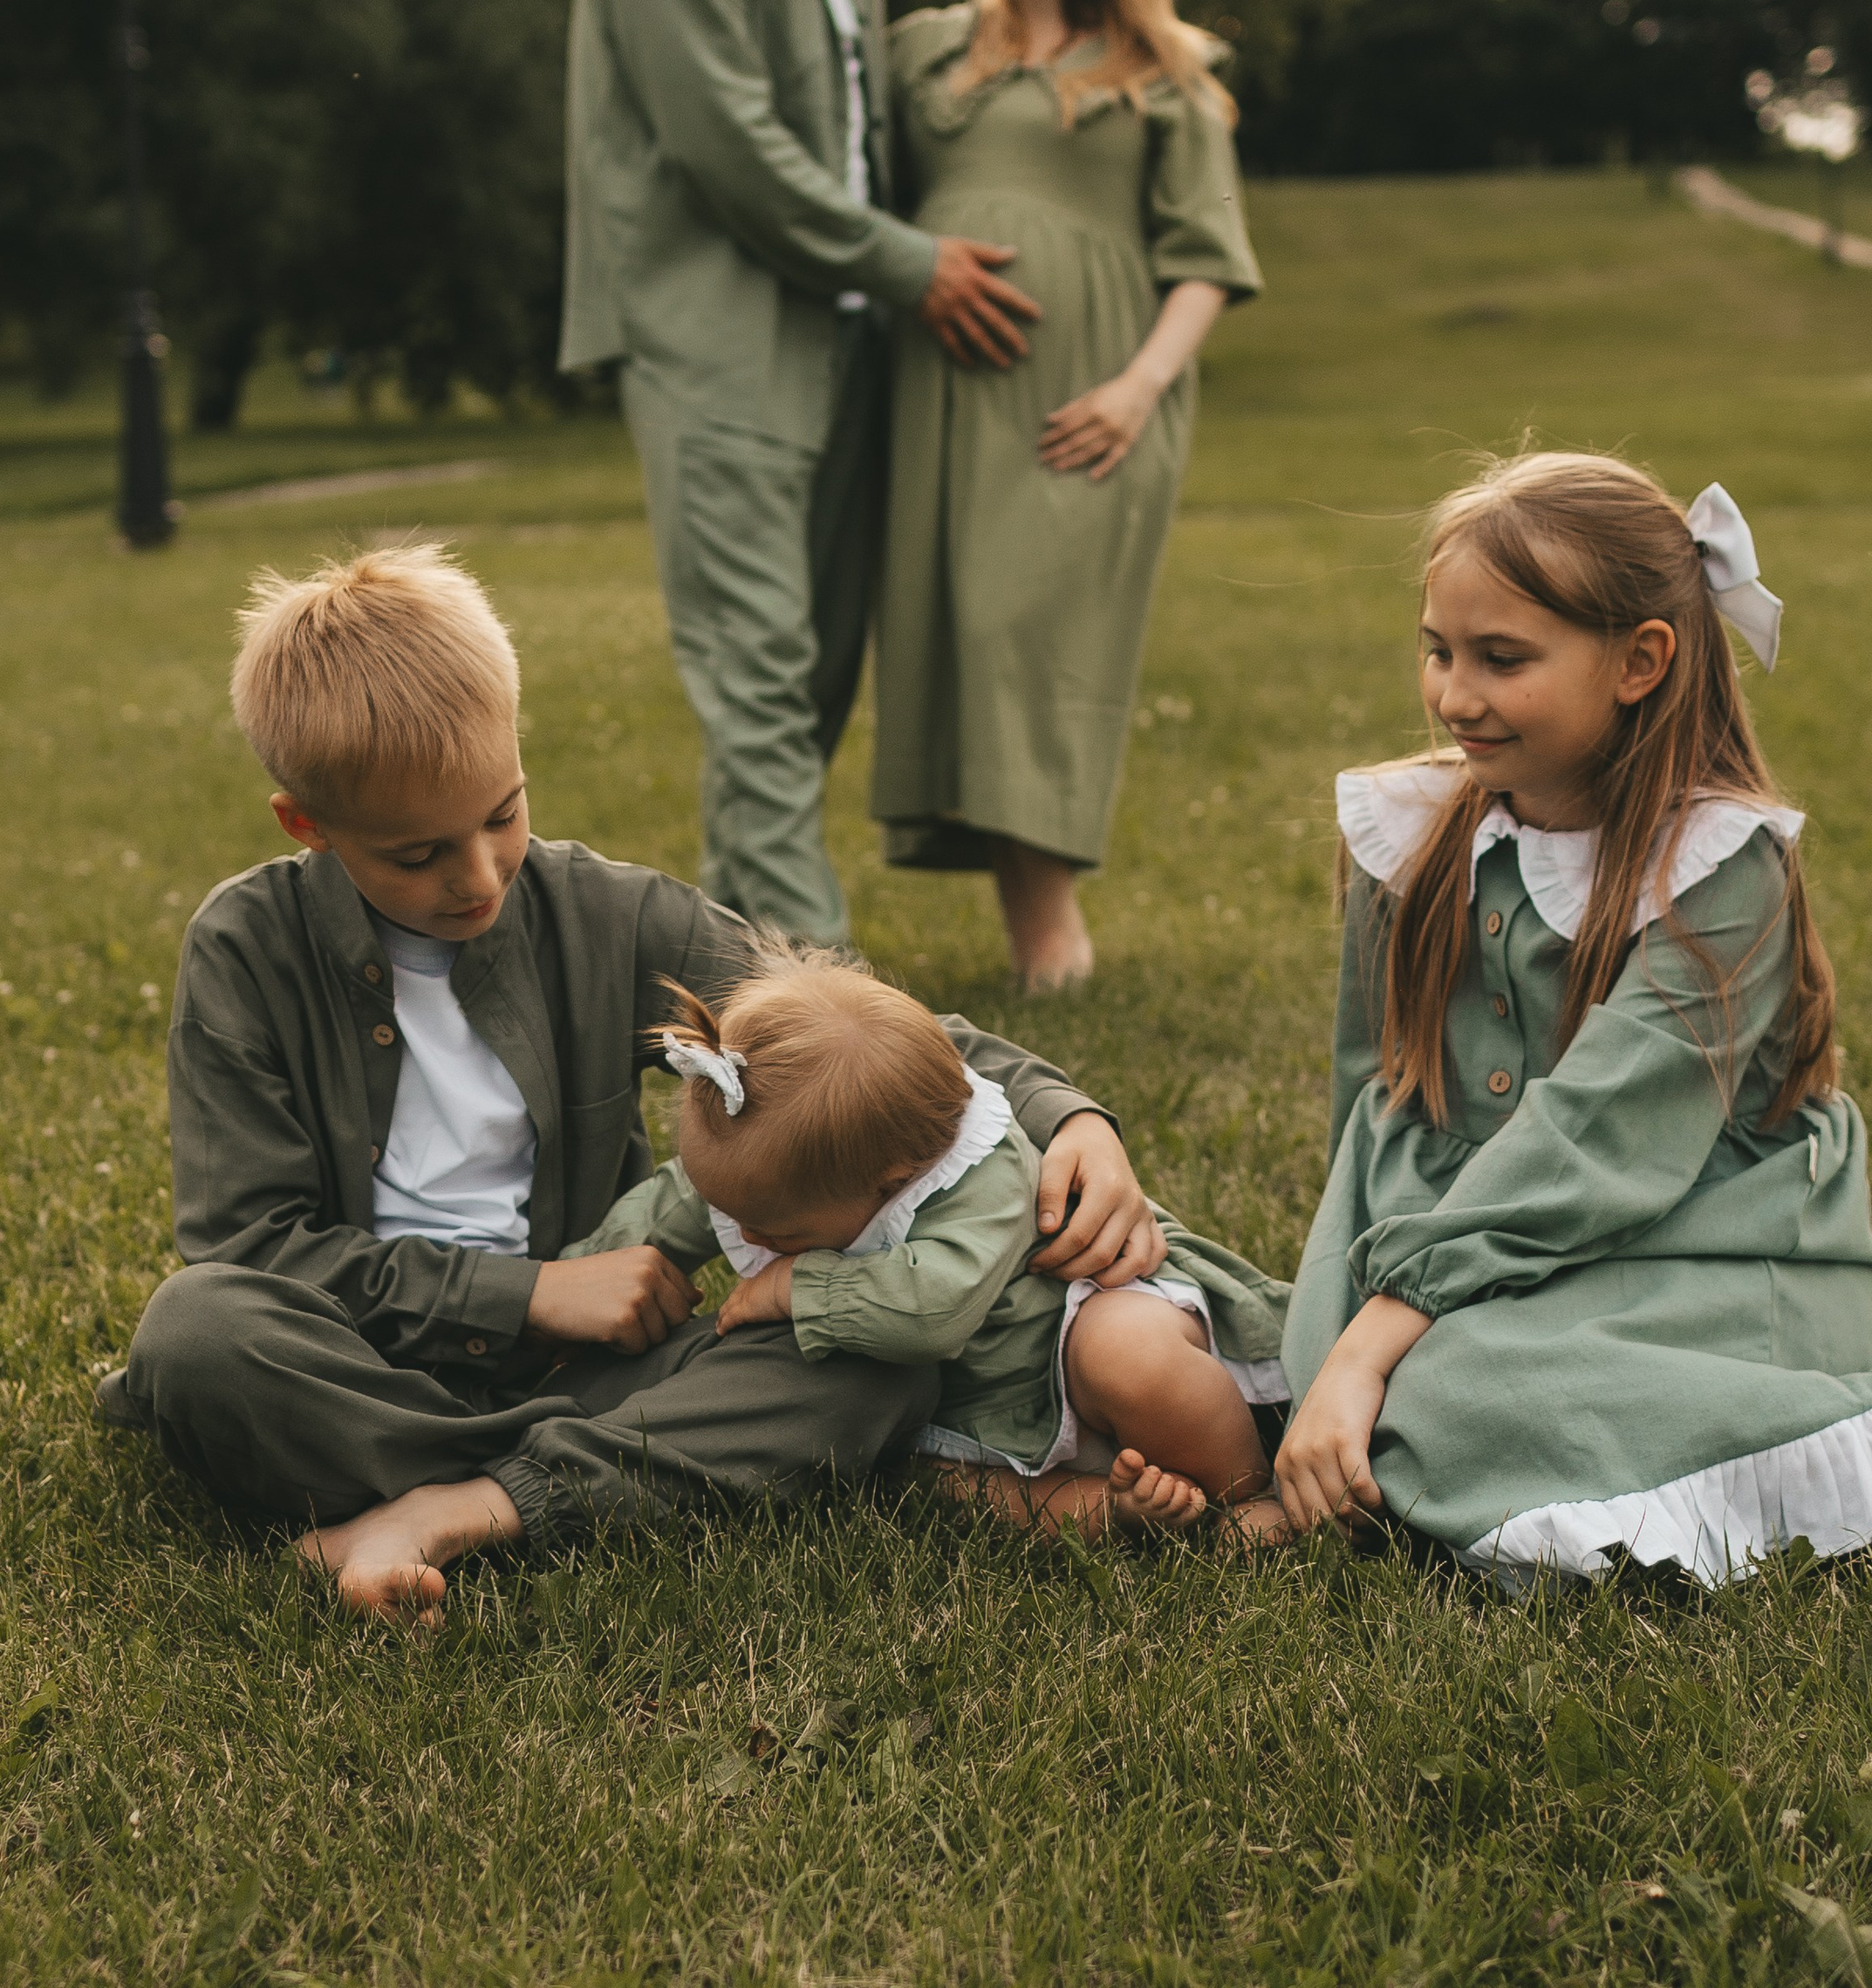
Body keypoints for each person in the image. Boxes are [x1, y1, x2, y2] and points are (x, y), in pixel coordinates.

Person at [94, 544, 1169, 1620]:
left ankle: (454, 1502)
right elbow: (252, 1248)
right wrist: (534, 1294)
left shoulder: (608, 914)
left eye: (502, 814)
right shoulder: (244, 949)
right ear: (307, 824)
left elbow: (850, 1040)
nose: (477, 878)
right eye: (417, 856)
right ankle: (571, 1475)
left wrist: (1063, 1112)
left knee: (868, 1364)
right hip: (359, 1365)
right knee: (195, 1335)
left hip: (608, 1371)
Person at [1274, 452, 1872, 1591]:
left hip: (1701, 1235)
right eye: (1438, 649)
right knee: (1381, 1391)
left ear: (1640, 662)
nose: (1454, 695)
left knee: (1440, 1398)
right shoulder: (1405, 834)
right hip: (1455, 1229)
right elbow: (1373, 1092)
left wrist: (1375, 1342)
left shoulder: (1716, 869)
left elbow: (1602, 1139)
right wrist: (1347, 1303)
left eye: (1502, 659)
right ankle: (1456, 1437)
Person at [559, 0, 1040, 946]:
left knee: (810, 678)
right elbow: (732, 153)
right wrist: (914, 265)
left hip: (846, 343)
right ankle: (840, 1020)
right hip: (713, 342)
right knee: (760, 678)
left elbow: (858, 110)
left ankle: (748, 974)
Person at [871, 0, 1262, 989]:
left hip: (1093, 401)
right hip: (942, 395)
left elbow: (1206, 258)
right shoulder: (923, 49)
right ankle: (1029, 932)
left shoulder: (1164, 72)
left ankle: (1054, 939)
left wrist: (1138, 390)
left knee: (1032, 633)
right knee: (967, 632)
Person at [572, 948, 1293, 1539]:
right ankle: (1116, 1510)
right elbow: (675, 1202)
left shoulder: (992, 1173)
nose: (750, 1237)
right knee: (919, 1480)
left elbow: (936, 1307)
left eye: (778, 1233)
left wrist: (798, 1286)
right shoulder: (784, 1170)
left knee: (1126, 1353)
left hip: (1072, 1351)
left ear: (891, 1181)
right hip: (976, 1418)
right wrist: (574, 1283)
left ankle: (1248, 1489)